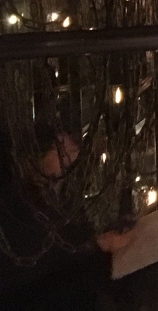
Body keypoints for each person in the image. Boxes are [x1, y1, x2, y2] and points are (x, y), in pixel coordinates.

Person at [0, 123, 134, 311]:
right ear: (35, 158)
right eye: (61, 152)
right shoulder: (17, 207)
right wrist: (98, 246)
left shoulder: (56, 200)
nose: (70, 158)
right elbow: (44, 264)